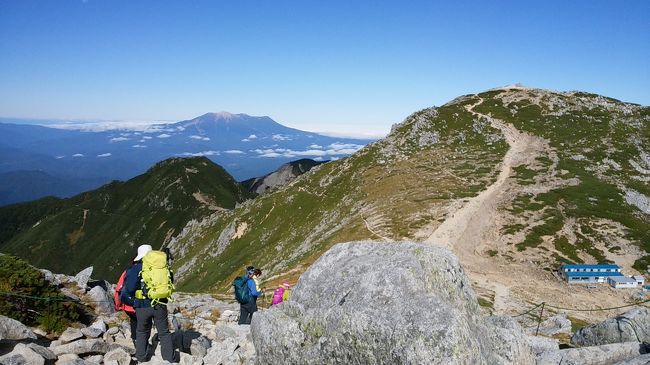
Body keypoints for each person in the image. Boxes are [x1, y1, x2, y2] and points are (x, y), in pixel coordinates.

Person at [122, 244, 177, 363]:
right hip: (160, 304)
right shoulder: (162, 266)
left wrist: (134, 300)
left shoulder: (136, 268)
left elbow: (129, 289)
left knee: (142, 331)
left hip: (142, 306)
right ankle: (169, 359)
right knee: (164, 332)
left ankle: (142, 358)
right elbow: (170, 280)